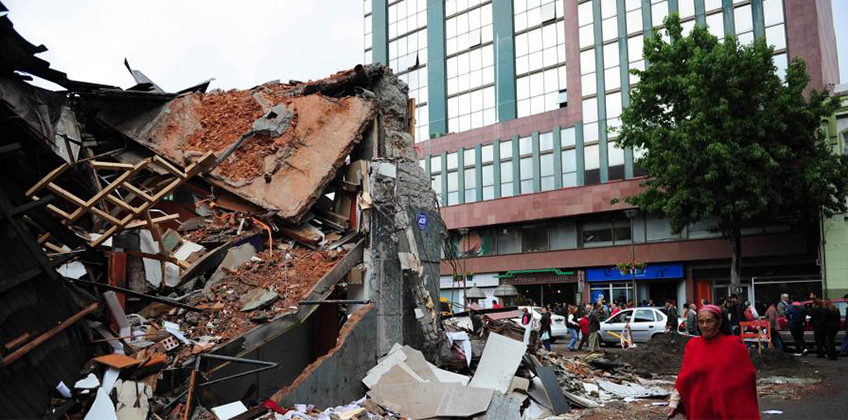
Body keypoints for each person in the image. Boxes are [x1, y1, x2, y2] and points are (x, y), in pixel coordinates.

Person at [666, 305, 760, 420]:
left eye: (709, 321)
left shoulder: (733, 345)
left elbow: (745, 380)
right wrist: (674, 402)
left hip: (727, 410)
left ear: (719, 322)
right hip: (700, 410)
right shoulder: (693, 345)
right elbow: (685, 377)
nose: (704, 326)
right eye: (701, 322)